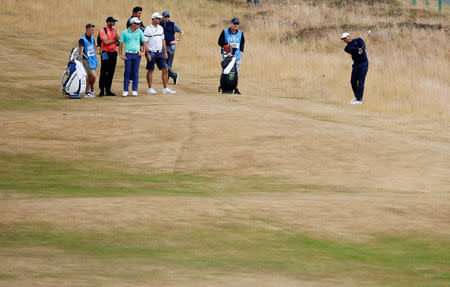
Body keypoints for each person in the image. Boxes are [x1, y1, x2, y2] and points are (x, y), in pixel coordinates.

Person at [144, 12, 176, 95]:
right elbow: (145, 42)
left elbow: (163, 40)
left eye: (159, 18)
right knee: (150, 70)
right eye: (158, 18)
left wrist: (165, 52)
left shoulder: (160, 28)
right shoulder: (148, 29)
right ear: (154, 19)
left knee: (165, 69)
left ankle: (165, 88)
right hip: (151, 51)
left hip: (160, 52)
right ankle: (150, 88)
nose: (159, 19)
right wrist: (147, 53)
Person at [119, 17, 146, 97]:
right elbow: (121, 43)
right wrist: (120, 54)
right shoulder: (125, 32)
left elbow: (144, 42)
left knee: (135, 73)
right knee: (127, 72)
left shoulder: (139, 31)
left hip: (137, 54)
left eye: (139, 24)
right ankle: (125, 90)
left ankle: (134, 90)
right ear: (132, 24)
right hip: (128, 54)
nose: (139, 25)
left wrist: (143, 52)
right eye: (137, 24)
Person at [218, 17, 245, 95]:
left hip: (237, 56)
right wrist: (227, 45)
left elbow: (242, 42)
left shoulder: (240, 33)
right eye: (234, 23)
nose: (236, 25)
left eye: (237, 24)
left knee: (235, 73)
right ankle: (223, 85)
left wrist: (241, 50)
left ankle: (236, 89)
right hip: (227, 56)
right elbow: (220, 42)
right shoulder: (225, 32)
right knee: (225, 71)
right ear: (231, 24)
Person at [341, 32, 369, 105]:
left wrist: (361, 49)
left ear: (349, 36)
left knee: (361, 81)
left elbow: (363, 46)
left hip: (364, 64)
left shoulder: (359, 40)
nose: (345, 40)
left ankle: (359, 100)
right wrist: (358, 49)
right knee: (352, 81)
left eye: (345, 38)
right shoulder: (347, 48)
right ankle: (357, 97)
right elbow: (352, 49)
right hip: (356, 65)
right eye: (343, 39)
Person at [160, 11, 184, 85]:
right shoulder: (159, 24)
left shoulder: (172, 24)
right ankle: (174, 75)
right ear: (162, 17)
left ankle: (166, 80)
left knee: (169, 65)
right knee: (162, 63)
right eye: (165, 17)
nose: (167, 18)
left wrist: (177, 40)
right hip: (162, 47)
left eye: (168, 17)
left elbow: (182, 32)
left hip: (171, 47)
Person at [98, 16, 120, 97]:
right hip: (105, 53)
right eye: (112, 22)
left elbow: (119, 39)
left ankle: (108, 90)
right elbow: (106, 42)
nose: (113, 23)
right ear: (108, 22)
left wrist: (116, 33)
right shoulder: (103, 30)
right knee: (104, 71)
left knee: (111, 71)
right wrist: (115, 40)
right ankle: (101, 90)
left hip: (113, 53)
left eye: (114, 22)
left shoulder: (115, 30)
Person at [79, 23, 98, 98]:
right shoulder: (82, 39)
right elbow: (81, 50)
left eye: (93, 30)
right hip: (85, 60)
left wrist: (95, 56)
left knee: (89, 76)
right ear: (87, 29)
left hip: (92, 60)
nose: (93, 31)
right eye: (91, 30)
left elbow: (94, 46)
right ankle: (91, 88)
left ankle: (87, 92)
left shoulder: (92, 38)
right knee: (93, 75)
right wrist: (80, 60)